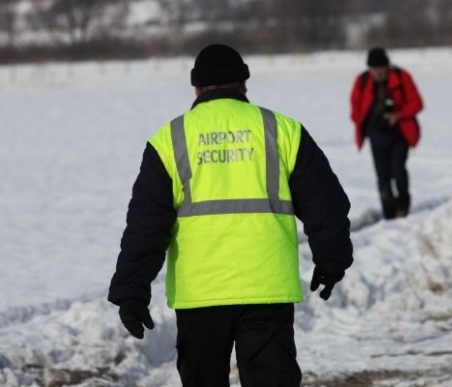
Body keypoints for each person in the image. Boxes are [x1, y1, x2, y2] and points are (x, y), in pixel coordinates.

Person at [108, 44, 353, 387]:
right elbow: (325, 204)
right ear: (244, 85)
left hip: (201, 294)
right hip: (266, 288)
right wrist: (332, 260)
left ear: (196, 89)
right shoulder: (282, 130)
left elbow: (145, 225)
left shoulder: (171, 139)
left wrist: (131, 290)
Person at [349, 47, 424, 219]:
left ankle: (403, 208)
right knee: (383, 177)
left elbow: (417, 103)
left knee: (398, 171)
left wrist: (398, 115)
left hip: (400, 133)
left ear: (387, 66)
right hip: (376, 135)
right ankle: (388, 214)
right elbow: (355, 109)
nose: (378, 72)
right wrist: (366, 121)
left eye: (381, 68)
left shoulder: (401, 77)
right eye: (374, 69)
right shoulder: (362, 81)